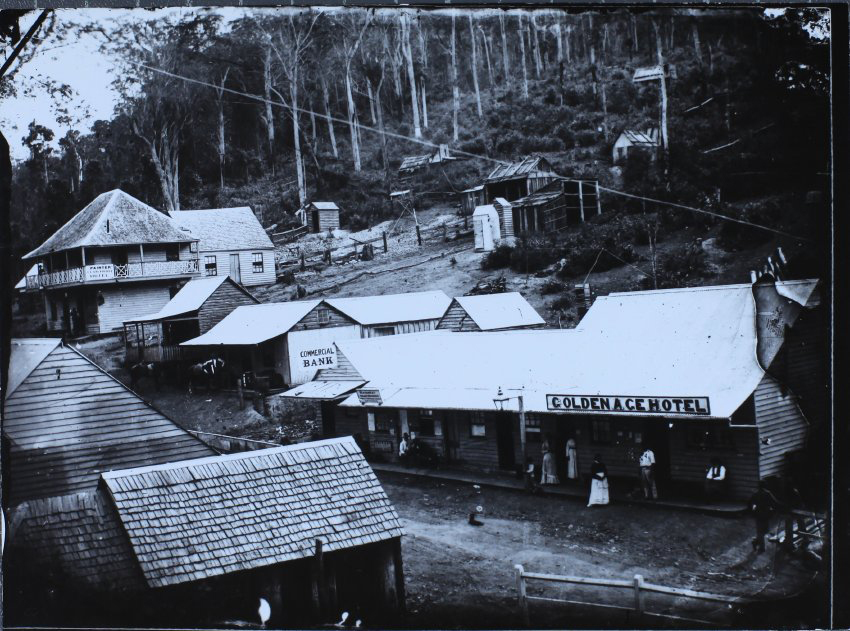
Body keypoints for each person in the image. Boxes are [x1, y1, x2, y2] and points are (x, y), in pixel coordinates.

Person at [749, 481, 781, 553]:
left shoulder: (755, 494)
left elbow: (750, 503)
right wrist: (775, 510)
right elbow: (774, 503)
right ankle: (761, 547)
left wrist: (753, 512)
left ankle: (756, 542)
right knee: (762, 531)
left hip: (759, 514)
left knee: (762, 531)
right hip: (765, 514)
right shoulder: (767, 494)